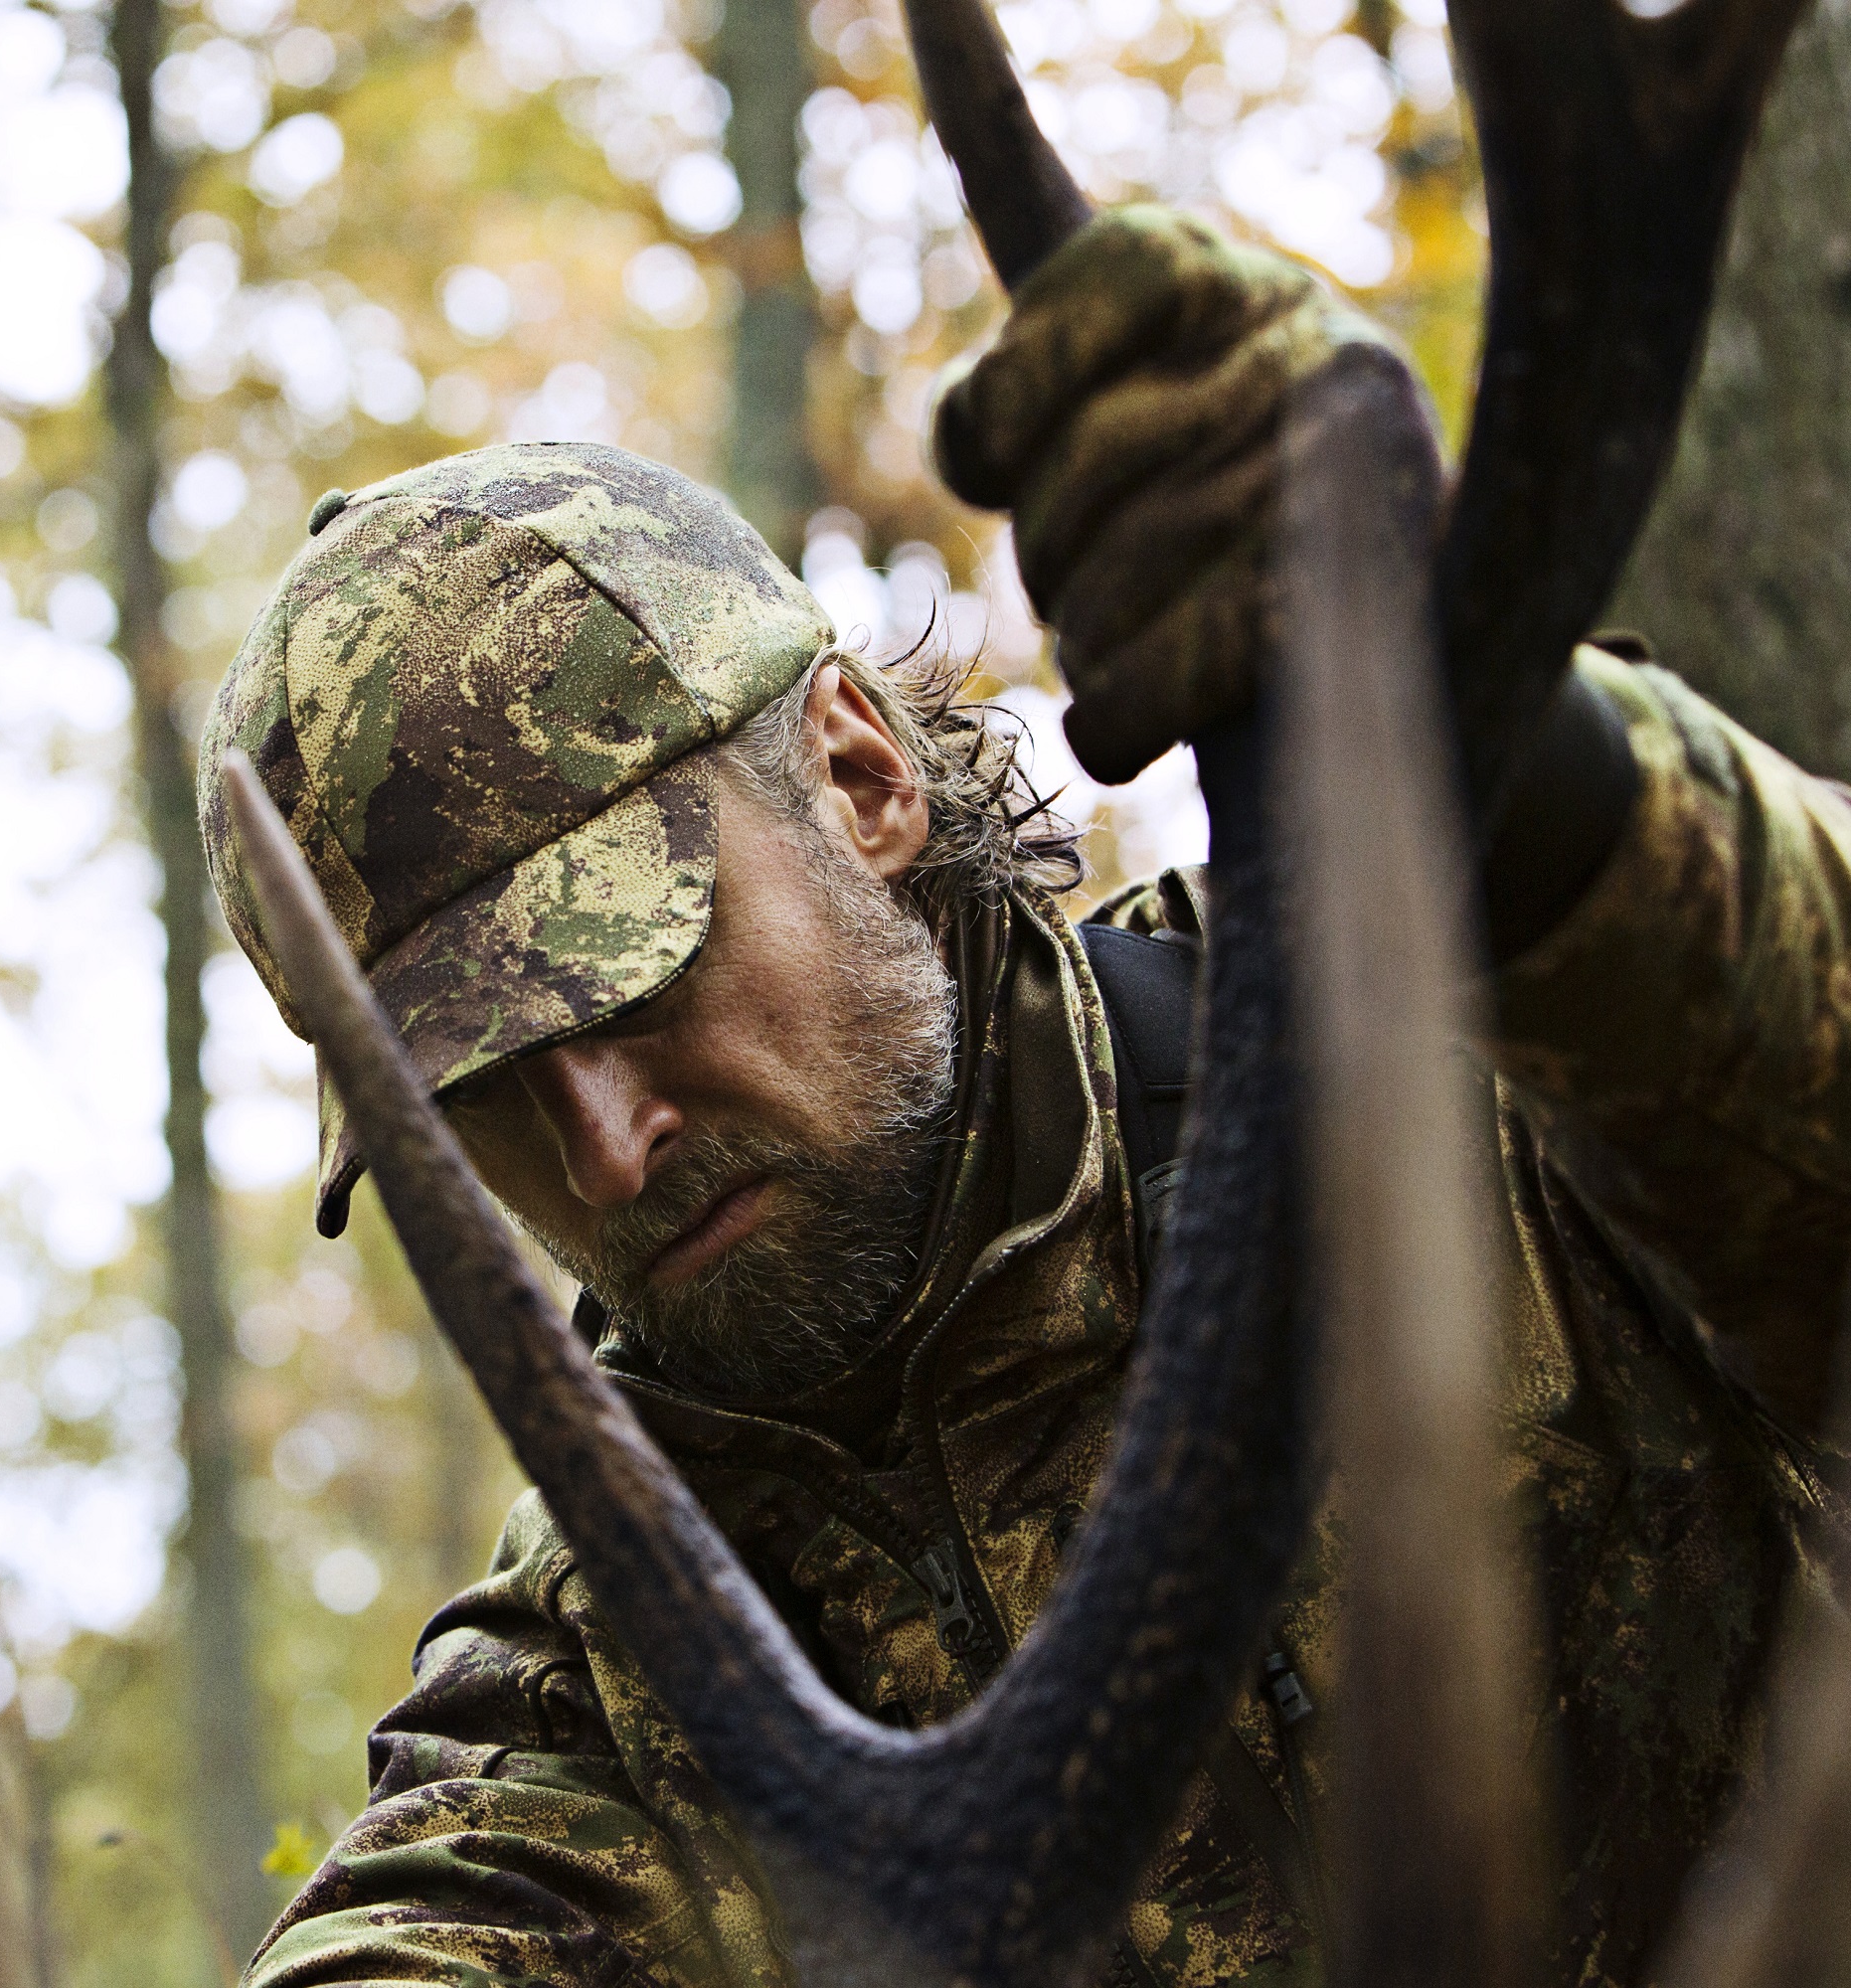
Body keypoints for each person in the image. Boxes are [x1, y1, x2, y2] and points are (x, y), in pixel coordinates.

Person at [199, 210, 1851, 1988]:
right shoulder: (616, 1669)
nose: (608, 1152)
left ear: (859, 773)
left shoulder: (1482, 1095)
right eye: (486, 1096)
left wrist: (1525, 775)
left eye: (641, 969)